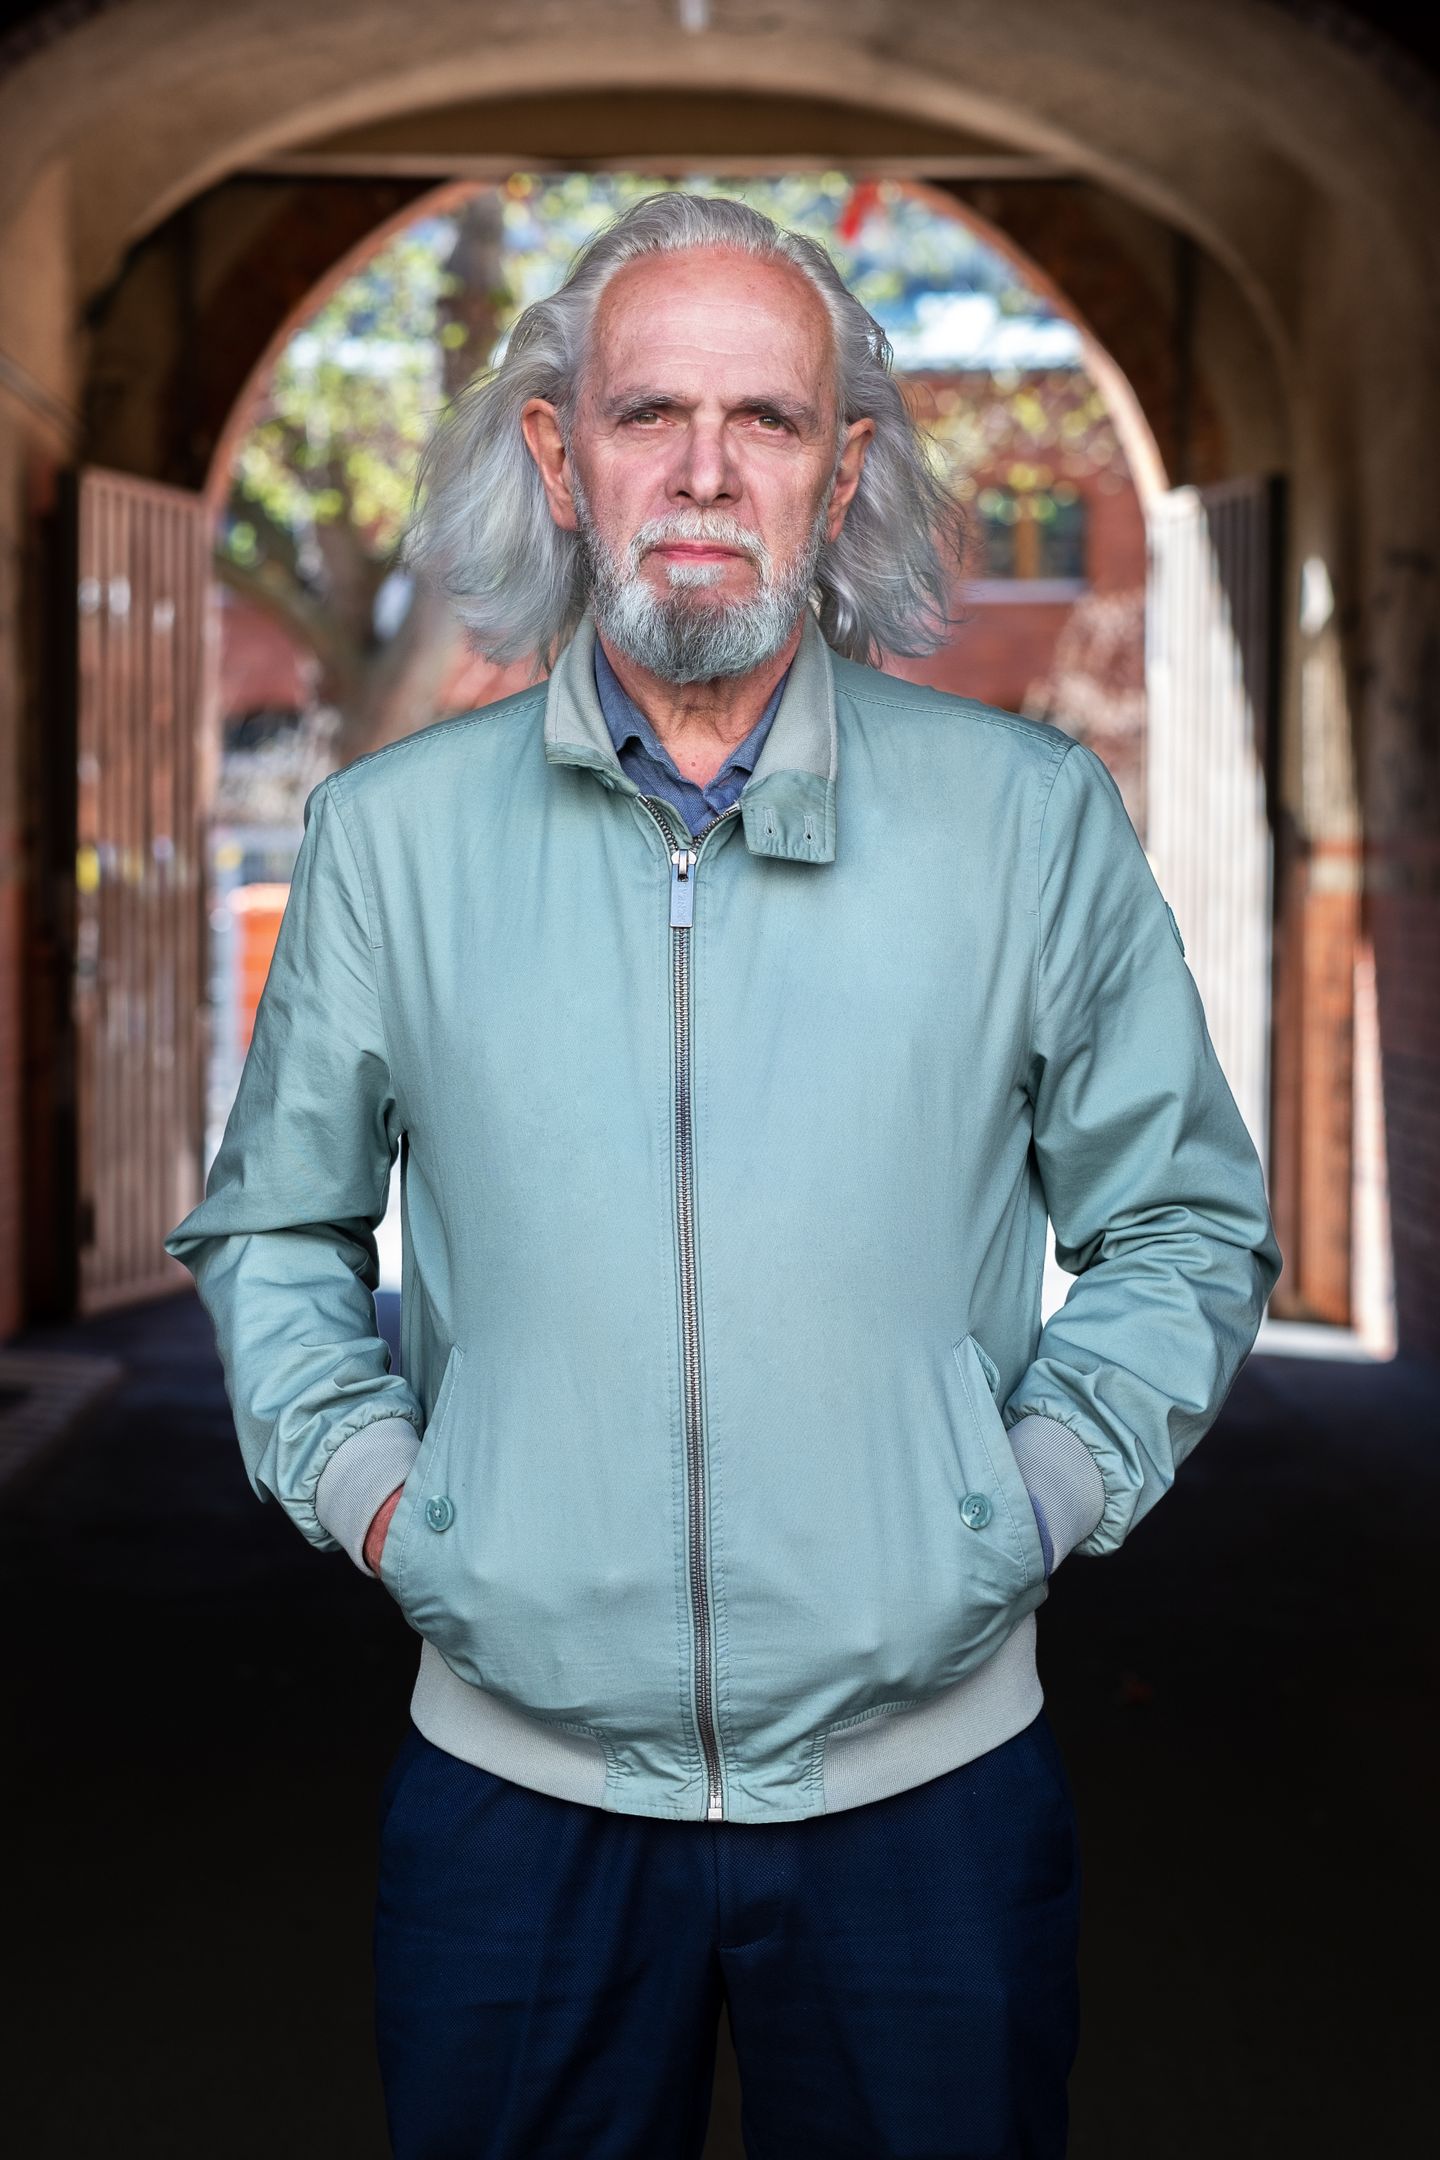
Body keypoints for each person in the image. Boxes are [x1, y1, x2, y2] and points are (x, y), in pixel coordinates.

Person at [163, 191, 1283, 2159]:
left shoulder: (1028, 823)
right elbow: (276, 1225)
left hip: (930, 1798)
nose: (703, 470)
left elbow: (1183, 1218)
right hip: (513, 1801)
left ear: (840, 474)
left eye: (766, 418)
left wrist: (1021, 1504)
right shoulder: (388, 839)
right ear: (559, 457)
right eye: (647, 413)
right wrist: (390, 1504)